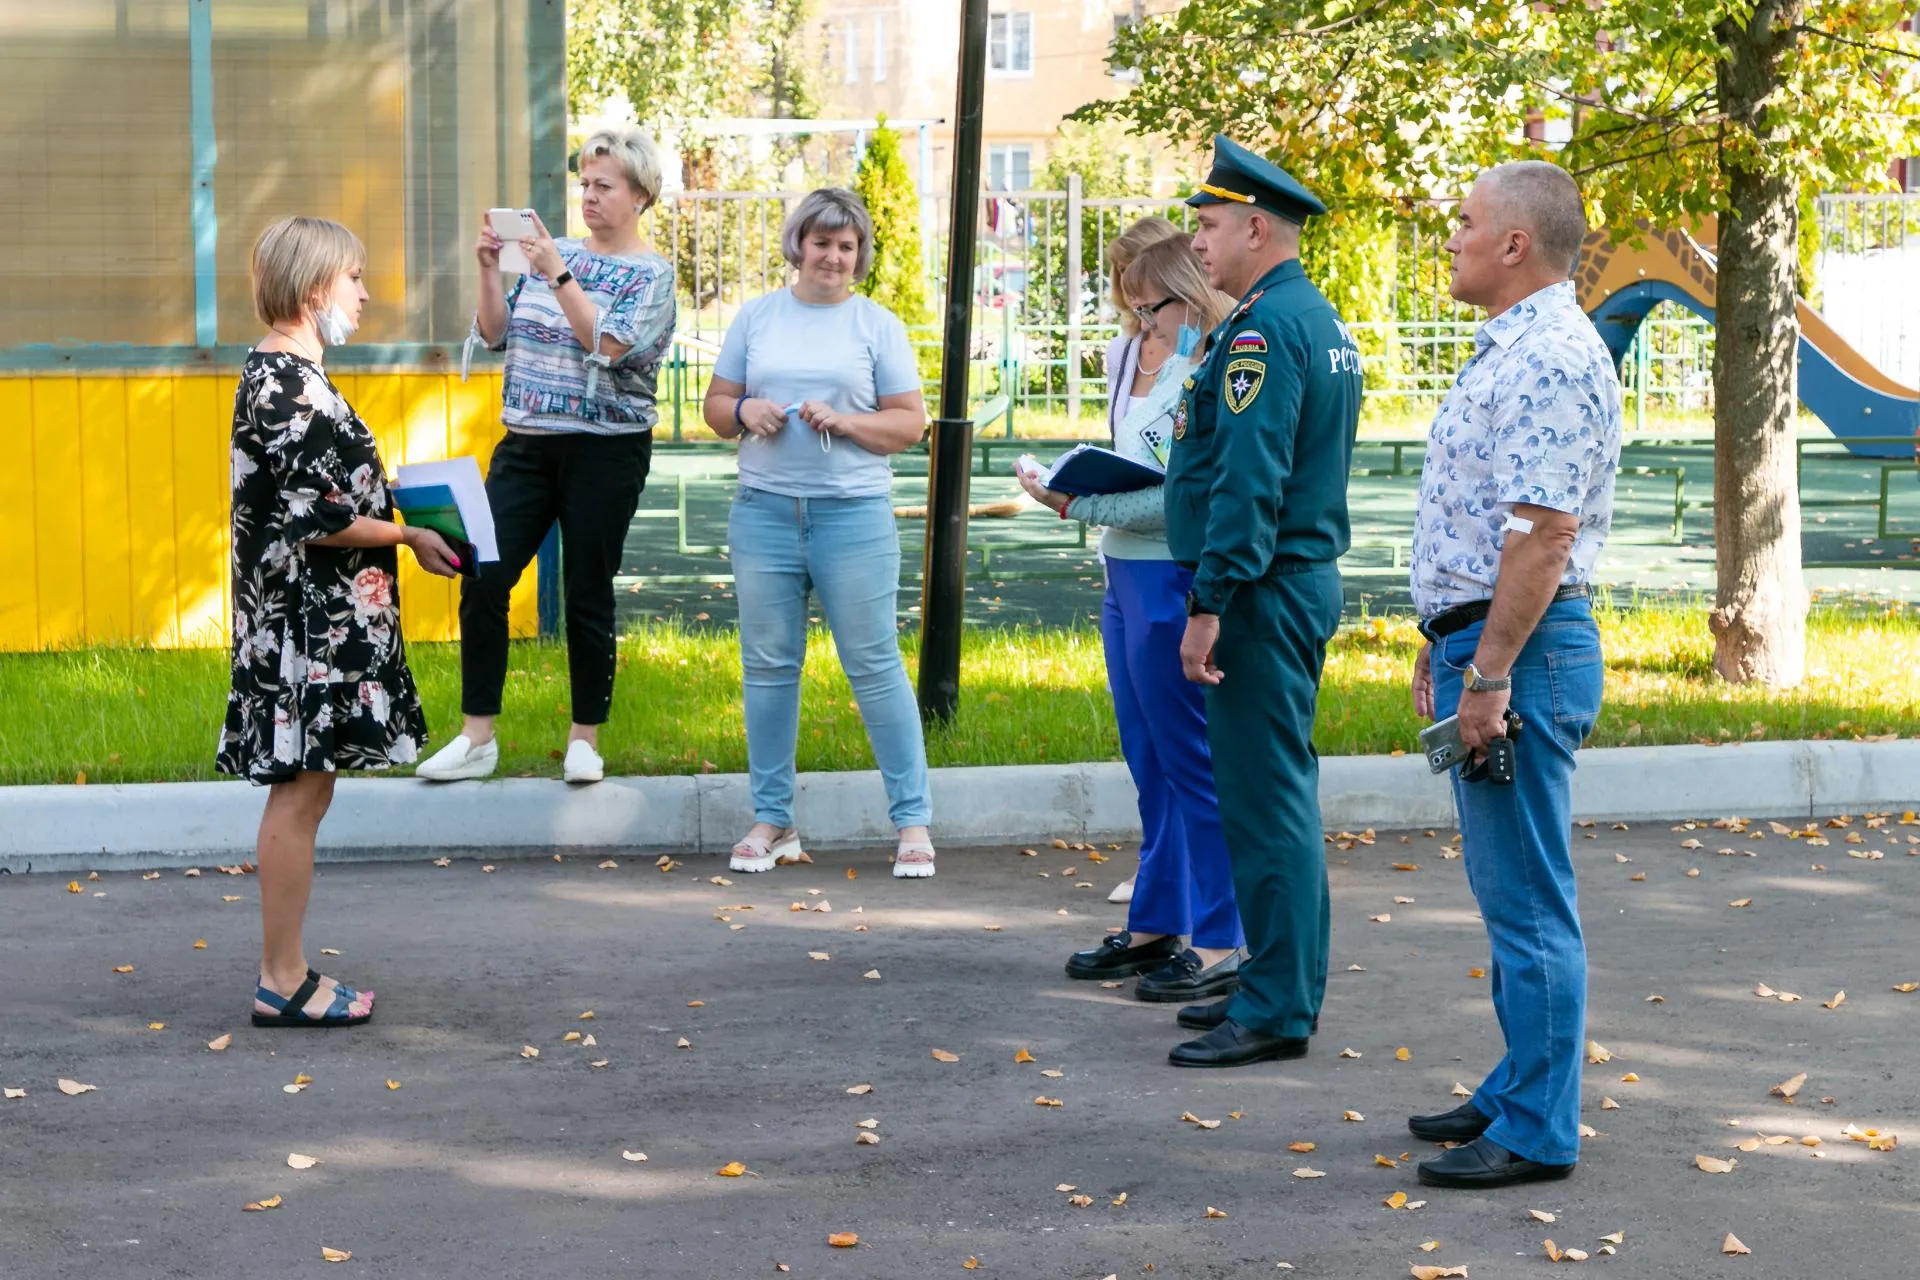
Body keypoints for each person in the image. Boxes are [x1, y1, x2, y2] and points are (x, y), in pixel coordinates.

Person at [1404, 162, 1620, 1190]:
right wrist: (1440, 643)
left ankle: (1539, 1124)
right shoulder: (1517, 349)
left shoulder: (1548, 358)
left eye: (1465, 219)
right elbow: (1484, 525)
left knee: (1530, 899)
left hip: (1520, 659)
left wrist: (1485, 672)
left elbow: (1541, 535)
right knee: (1508, 893)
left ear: (1515, 245)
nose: (1451, 235)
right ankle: (1518, 1081)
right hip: (1488, 647)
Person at [219, 216, 461, 1027]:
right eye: (352, 277)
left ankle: (285, 972)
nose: (364, 293)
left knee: (308, 790)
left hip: (316, 625)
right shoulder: (286, 382)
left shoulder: (295, 375)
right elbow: (312, 516)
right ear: (314, 286)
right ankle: (280, 980)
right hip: (303, 629)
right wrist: (409, 532)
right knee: (297, 794)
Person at [1160, 136, 1364, 1069]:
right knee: (1271, 792)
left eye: (1207, 227)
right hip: (1283, 584)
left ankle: (1279, 1003)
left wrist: (1209, 601)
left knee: (1266, 797)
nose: (1197, 245)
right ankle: (1276, 979)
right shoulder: (1309, 318)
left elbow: (1251, 482)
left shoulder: (1260, 329)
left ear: (1255, 226)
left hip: (1261, 590)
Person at [1019, 232, 1248, 1005]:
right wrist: (1082, 496)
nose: (1140, 316)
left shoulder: (1211, 359)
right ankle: (1157, 924)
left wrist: (1074, 502)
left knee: (1191, 763)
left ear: (1191, 290)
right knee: (1147, 759)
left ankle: (1221, 942)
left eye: (1153, 303)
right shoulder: (1127, 356)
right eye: (1129, 300)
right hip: (1122, 572)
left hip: (1171, 574)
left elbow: (1185, 498)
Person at [419, 125, 677, 784]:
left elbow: (608, 345)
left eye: (604, 186)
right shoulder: (549, 253)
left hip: (606, 451)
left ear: (641, 194)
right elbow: (497, 333)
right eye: (584, 184)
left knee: (587, 592)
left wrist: (558, 274)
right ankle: (478, 737)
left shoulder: (652, 274)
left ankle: (585, 738)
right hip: (526, 444)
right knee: (482, 577)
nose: (588, 197)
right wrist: (486, 269)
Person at [700, 189, 936, 878]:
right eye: (822, 241)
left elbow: (908, 424)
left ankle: (913, 824)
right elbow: (715, 407)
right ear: (798, 243)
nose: (833, 256)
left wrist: (847, 422)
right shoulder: (757, 316)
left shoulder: (876, 326)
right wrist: (748, 409)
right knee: (769, 669)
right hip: (765, 513)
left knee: (874, 666)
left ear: (858, 255)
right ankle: (773, 820)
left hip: (853, 517)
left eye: (847, 245)